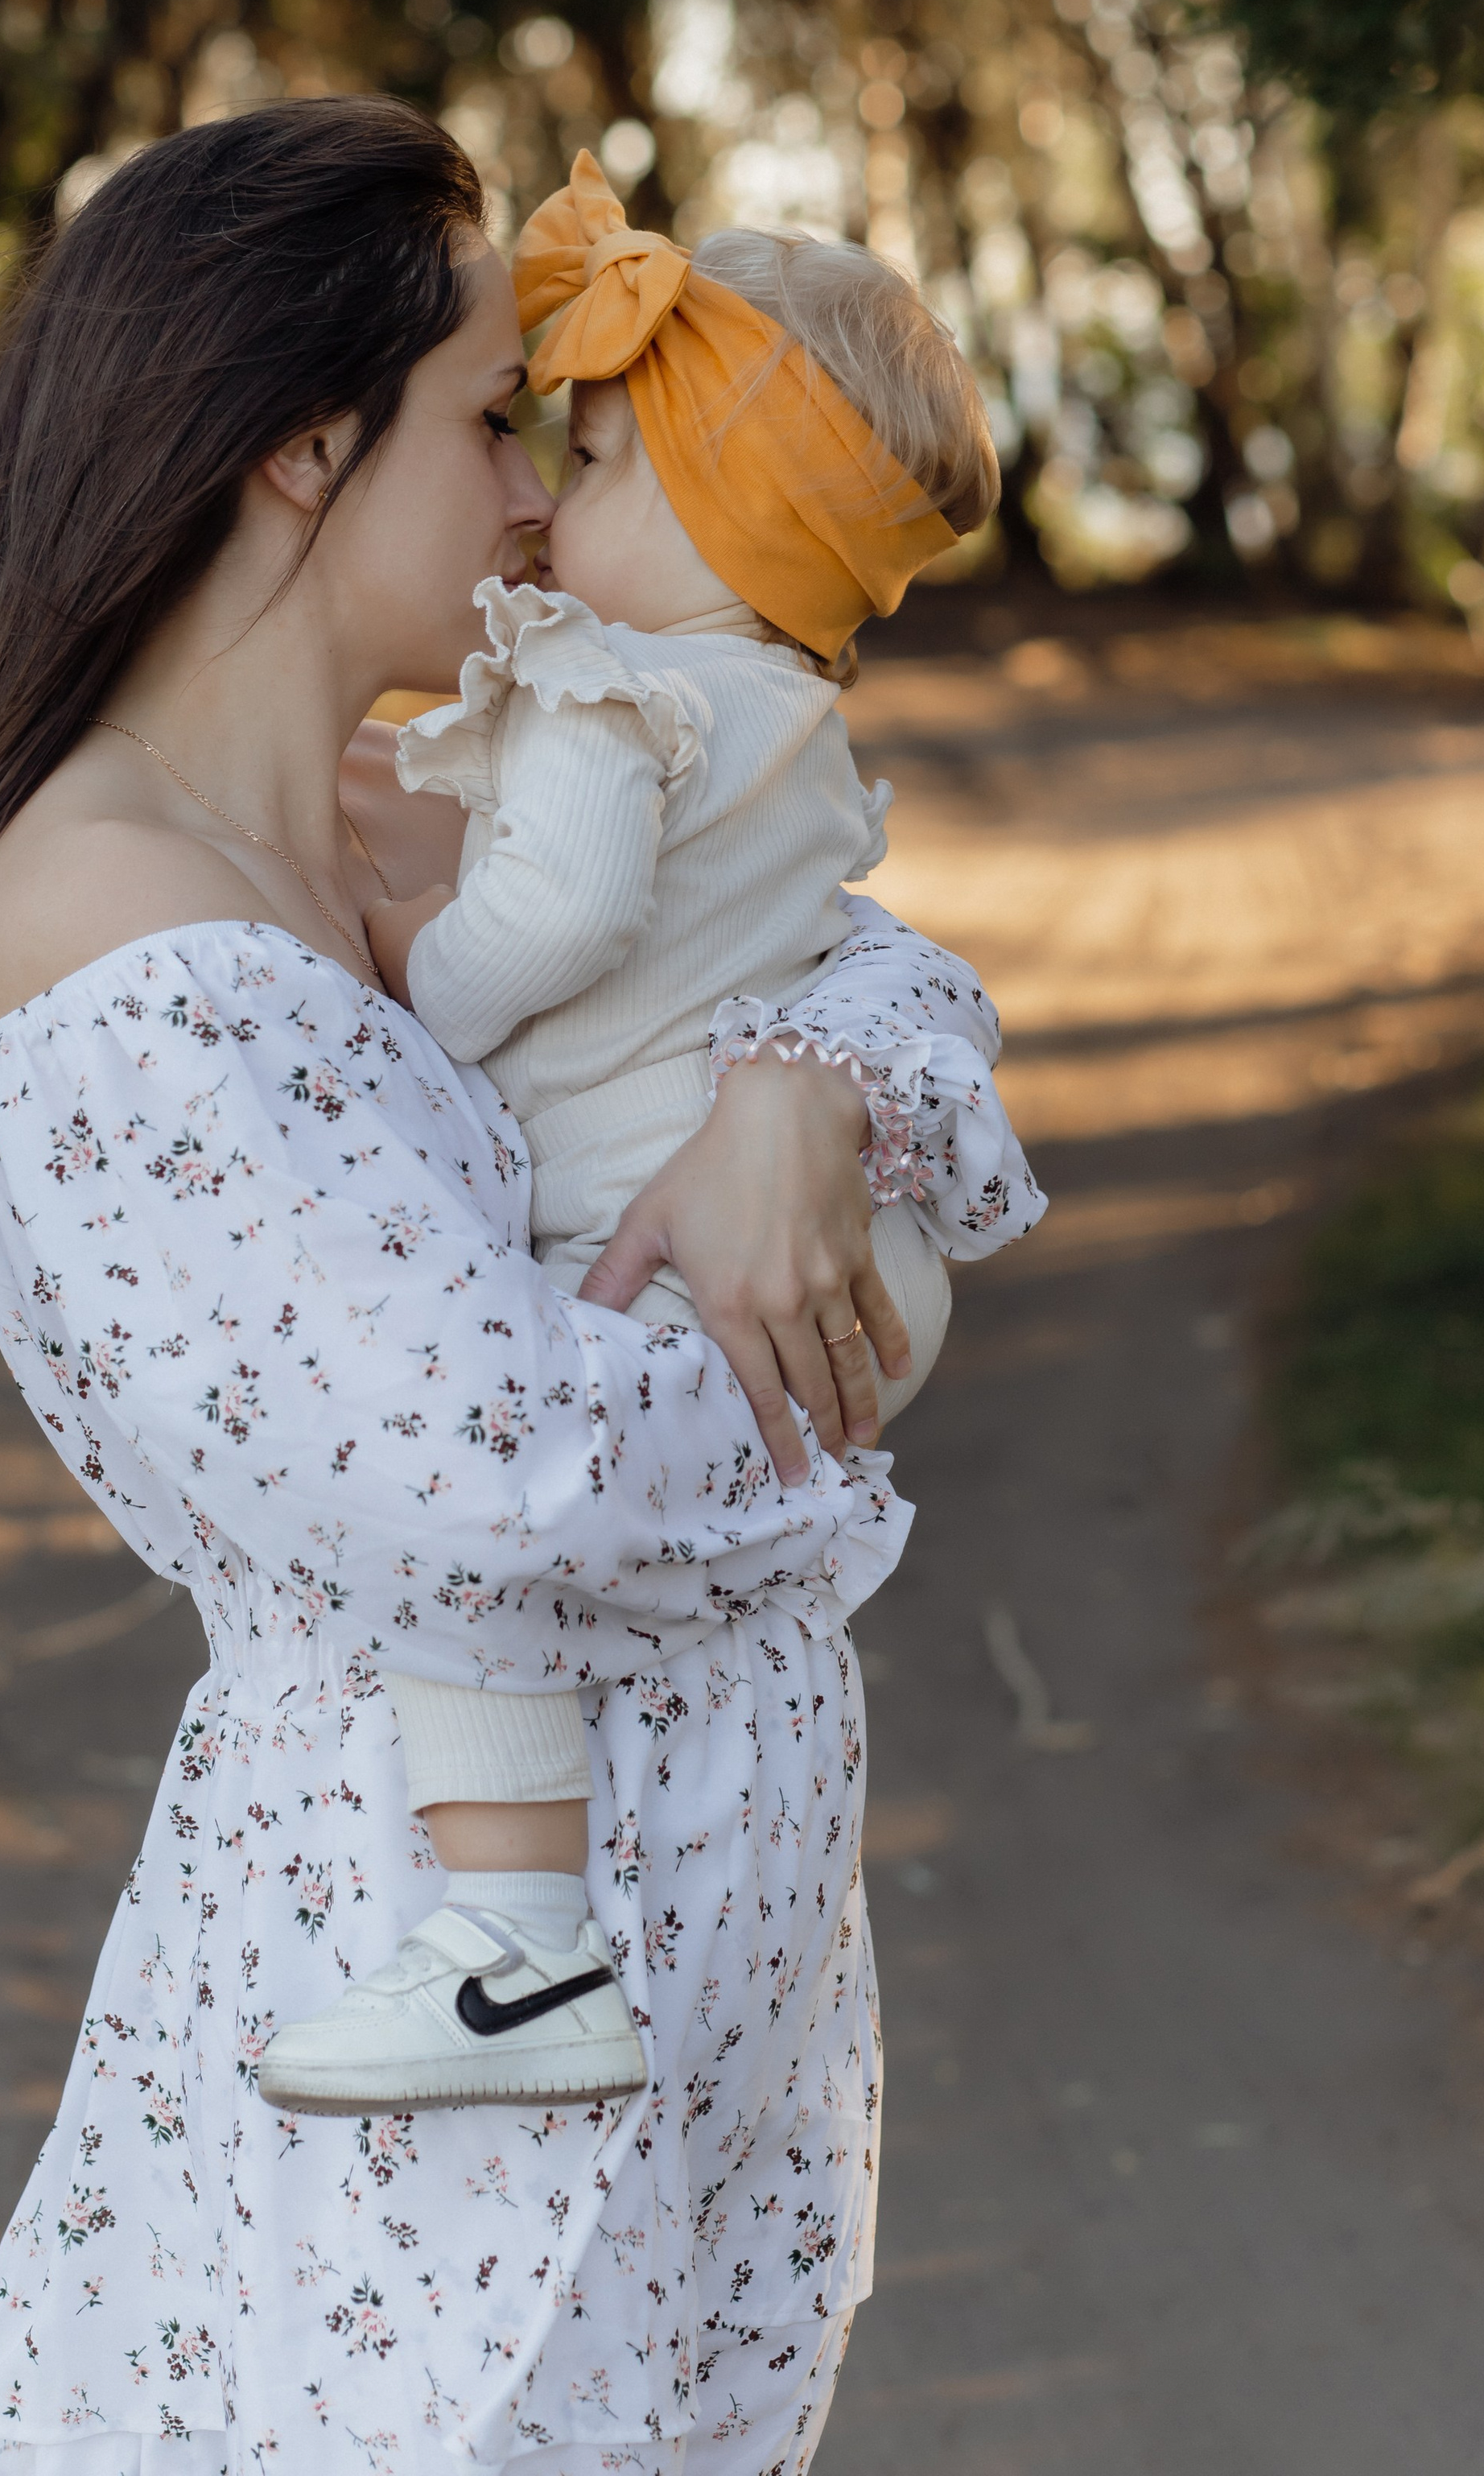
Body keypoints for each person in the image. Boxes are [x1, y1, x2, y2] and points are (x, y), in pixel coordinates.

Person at [0, 95, 1016, 2470]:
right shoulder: (93, 913)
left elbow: (901, 989)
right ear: (296, 450)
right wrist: (812, 1371)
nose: (548, 494)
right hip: (445, 1997)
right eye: (490, 424)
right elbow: (493, 1484)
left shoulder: (420, 809)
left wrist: (797, 1097)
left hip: (712, 1950)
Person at [257, 153, 1043, 2120]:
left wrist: (388, 976)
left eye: (595, 459)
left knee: (447, 1539)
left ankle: (519, 1949)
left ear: (725, 508)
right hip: (827, 1249)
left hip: (624, 1235)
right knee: (648, 1611)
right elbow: (828, 944)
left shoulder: (612, 690)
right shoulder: (790, 718)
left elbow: (555, 920)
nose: (541, 498)